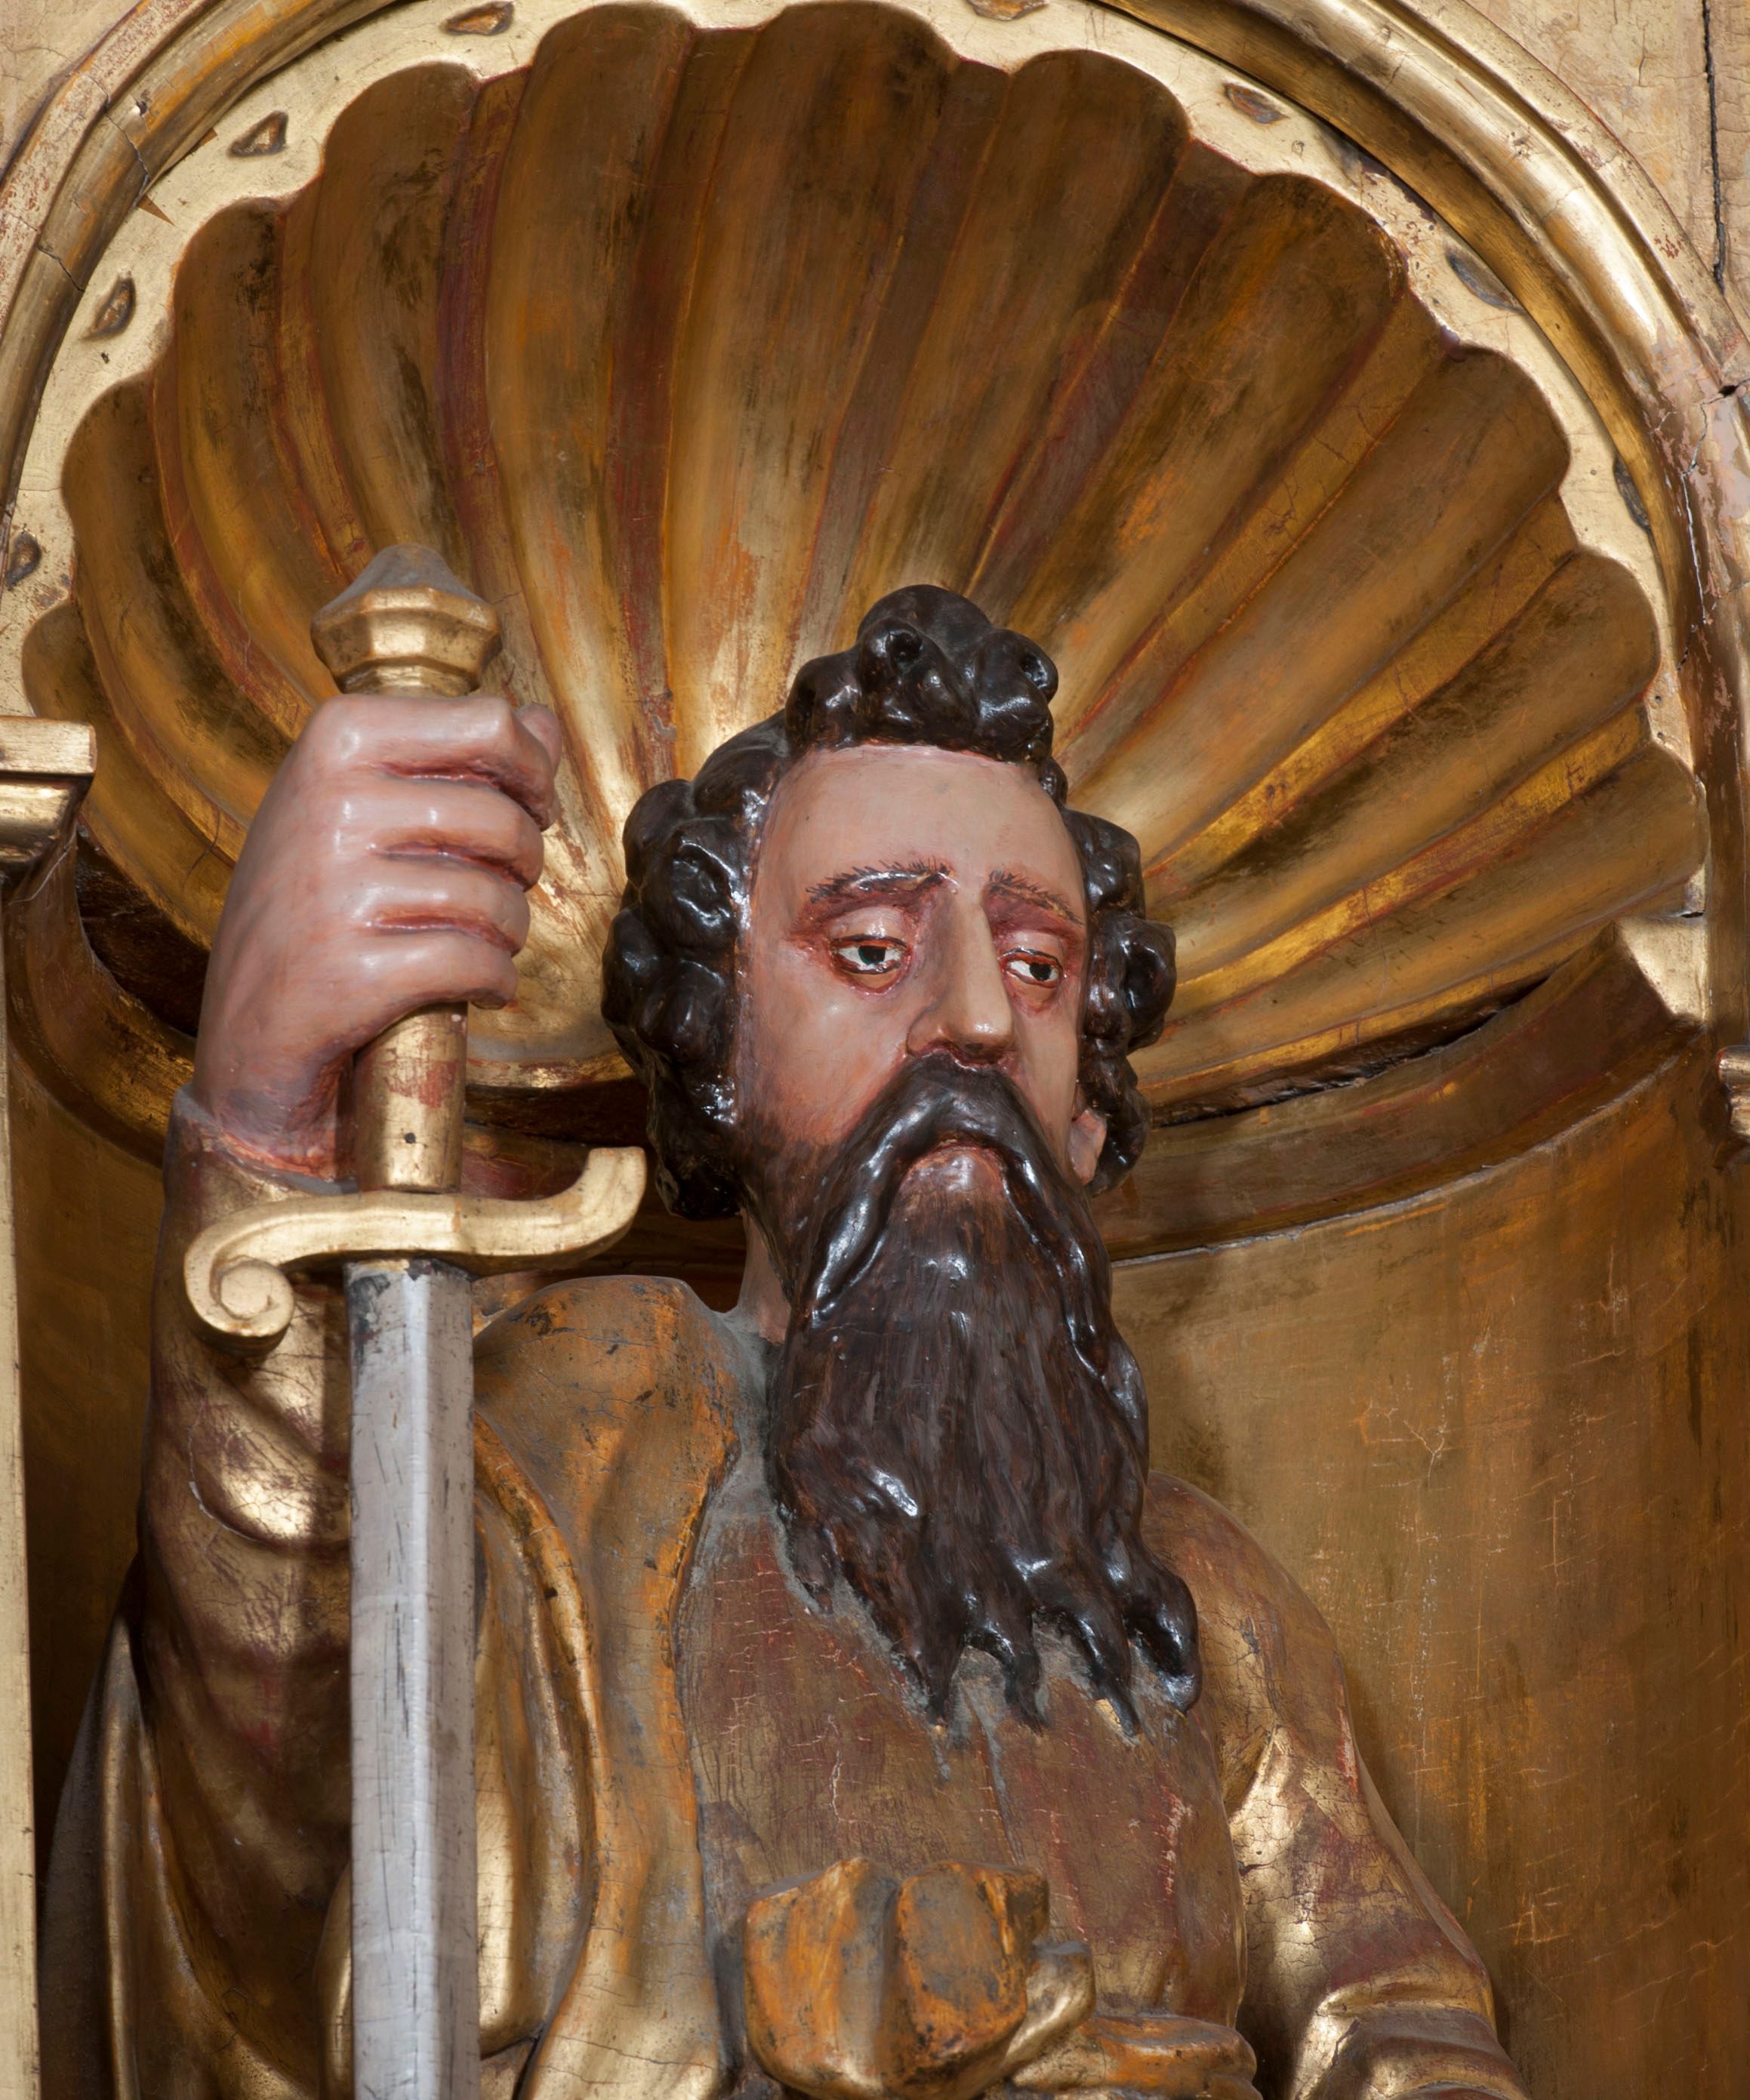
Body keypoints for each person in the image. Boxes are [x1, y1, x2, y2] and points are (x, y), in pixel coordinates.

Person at [43, 587, 1527, 2100]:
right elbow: (279, 1788)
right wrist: (267, 1119)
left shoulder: (1202, 1605)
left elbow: (1397, 2021)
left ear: (1087, 1107)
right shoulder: (568, 1446)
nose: (976, 1022)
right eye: (873, 949)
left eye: (1038, 967)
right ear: (719, 1051)